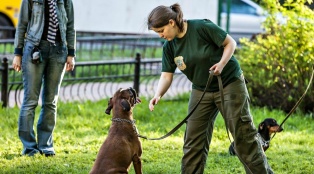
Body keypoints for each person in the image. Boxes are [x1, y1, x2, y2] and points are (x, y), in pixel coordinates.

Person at [147, 3, 273, 174]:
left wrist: (221, 64)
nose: (161, 35)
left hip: (229, 82)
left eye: (161, 30)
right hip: (201, 89)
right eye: (157, 33)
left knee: (243, 136)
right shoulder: (169, 47)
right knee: (193, 141)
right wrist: (158, 94)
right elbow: (166, 75)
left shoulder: (201, 27)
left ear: (171, 22)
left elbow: (231, 43)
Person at [12, 0, 76, 157]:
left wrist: (71, 53)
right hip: (34, 48)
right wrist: (17, 53)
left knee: (50, 101)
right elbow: (22, 25)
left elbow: (70, 26)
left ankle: (46, 146)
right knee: (30, 101)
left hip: (59, 51)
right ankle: (29, 148)